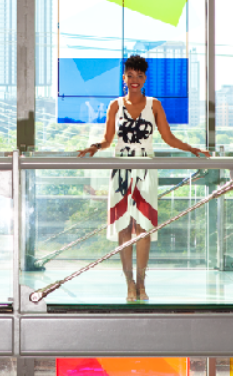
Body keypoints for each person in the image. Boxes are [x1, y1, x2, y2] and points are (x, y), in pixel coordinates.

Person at [76, 55, 210, 302]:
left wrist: (192, 149)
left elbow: (168, 138)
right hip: (121, 170)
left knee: (143, 227)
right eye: (131, 76)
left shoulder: (154, 105)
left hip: (146, 168)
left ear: (145, 78)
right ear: (124, 78)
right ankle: (128, 283)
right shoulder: (115, 105)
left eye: (140, 76)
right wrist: (94, 146)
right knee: (124, 228)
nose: (135, 80)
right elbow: (108, 140)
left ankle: (141, 282)